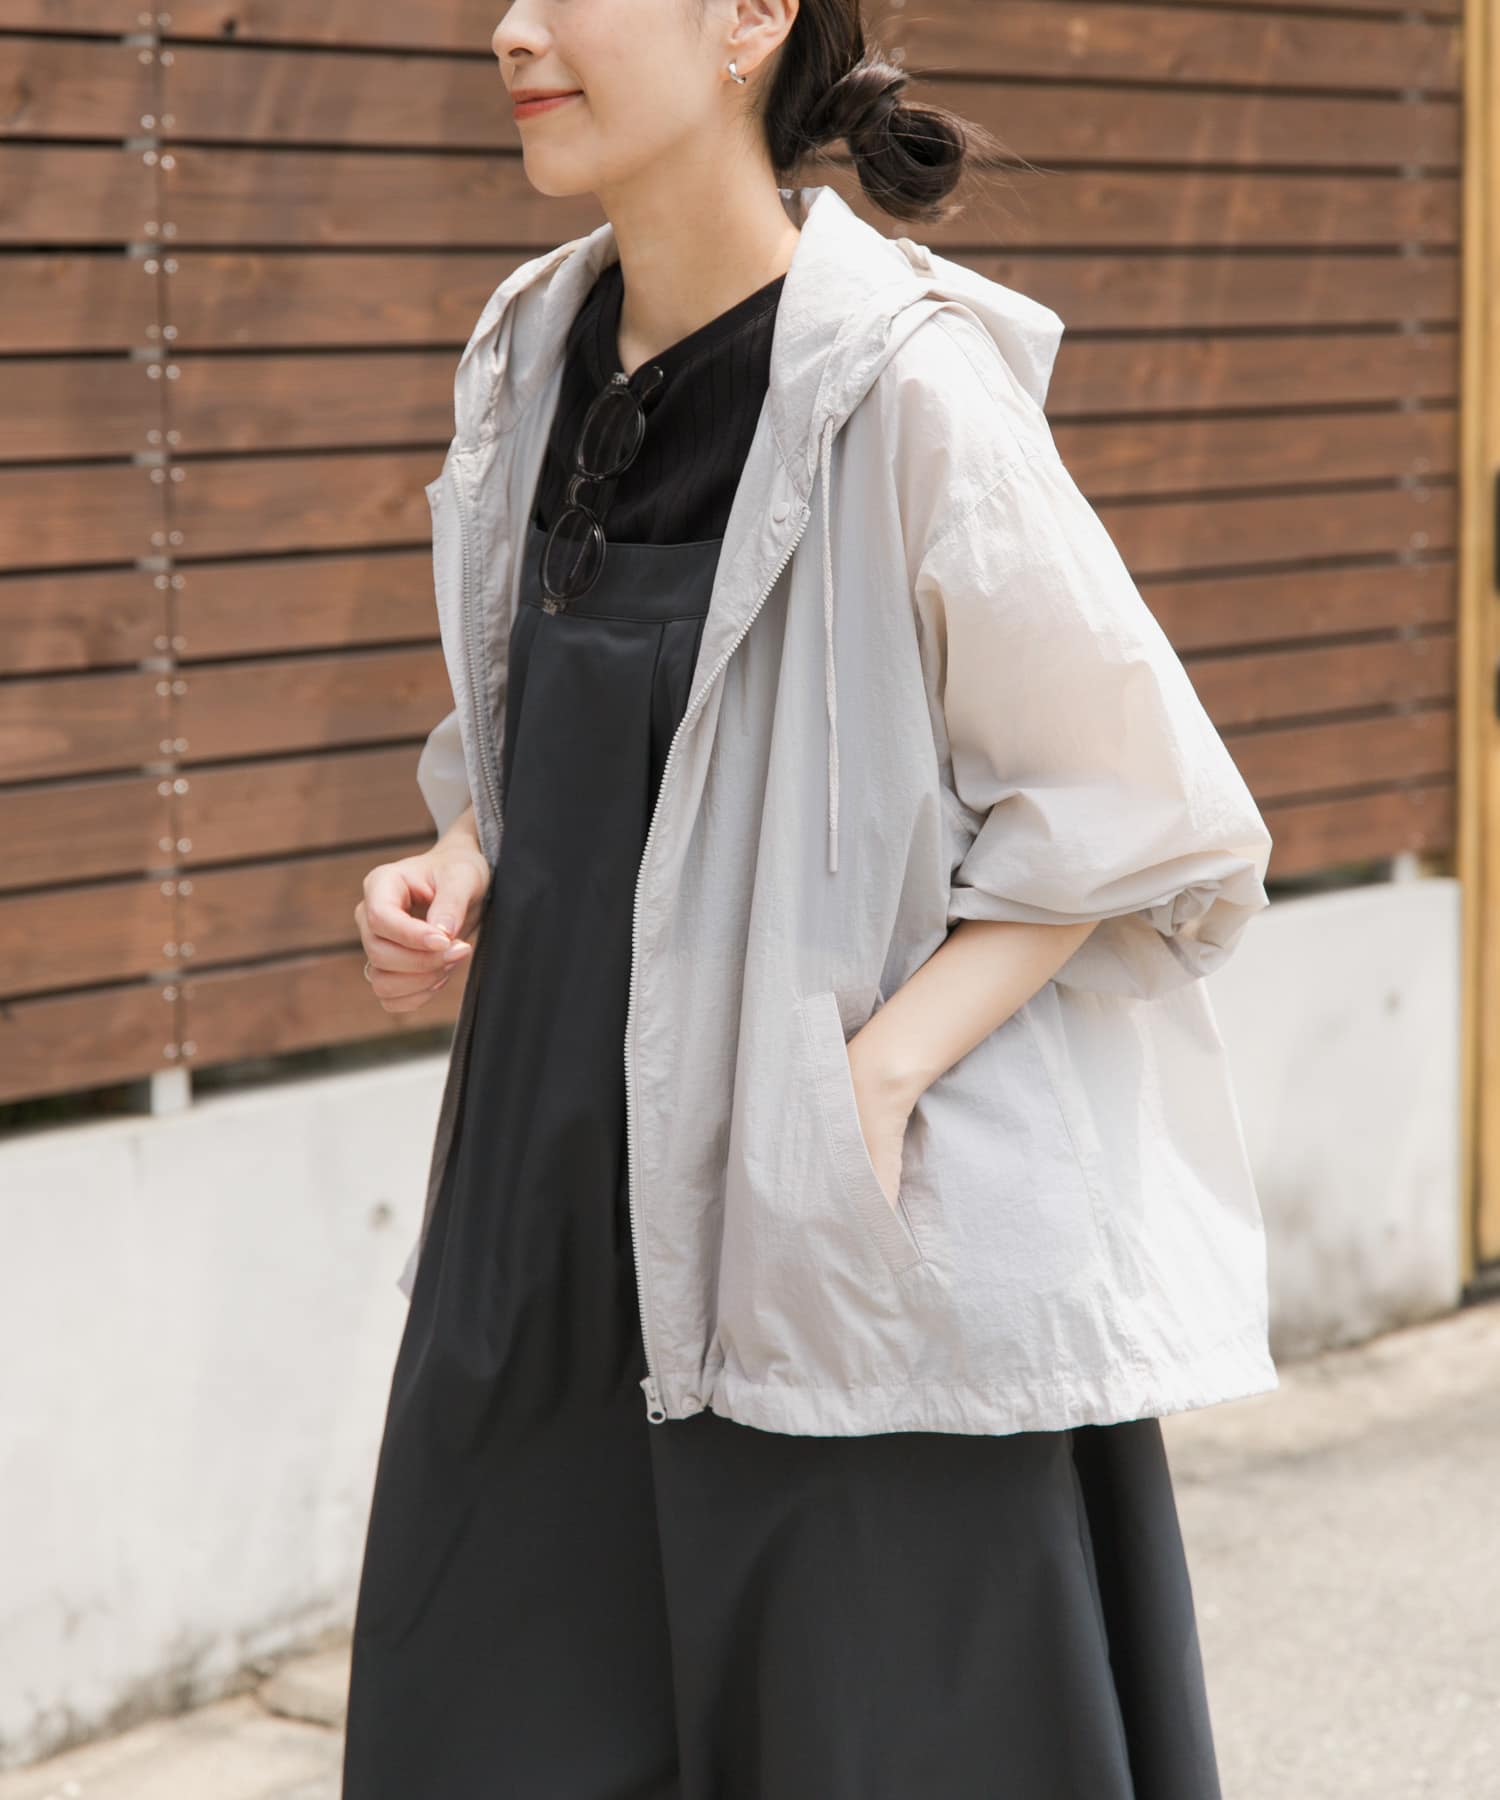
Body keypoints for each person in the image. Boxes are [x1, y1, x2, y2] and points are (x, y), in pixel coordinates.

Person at [343, 1, 1278, 1794]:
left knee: (876, 1736)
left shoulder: (906, 385)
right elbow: (546, 738)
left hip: (812, 1214)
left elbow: (1132, 806)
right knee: (493, 1722)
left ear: (752, 17)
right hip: (544, 1226)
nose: (514, 30)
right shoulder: (529, 347)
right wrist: (461, 864)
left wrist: (875, 1081)